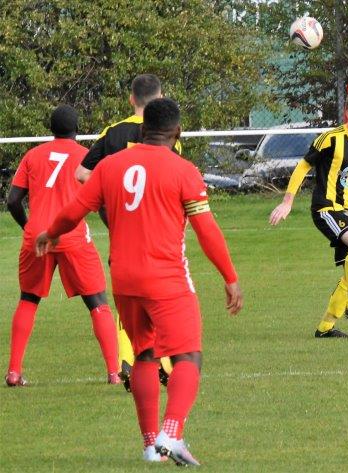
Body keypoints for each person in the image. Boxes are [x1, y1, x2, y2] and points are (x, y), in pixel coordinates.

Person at [36, 98, 243, 465]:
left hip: (123, 278)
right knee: (188, 355)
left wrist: (49, 233)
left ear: (143, 128)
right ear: (177, 132)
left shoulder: (110, 166)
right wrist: (229, 277)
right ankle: (172, 432)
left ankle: (151, 446)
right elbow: (207, 231)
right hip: (166, 278)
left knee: (144, 353)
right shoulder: (183, 171)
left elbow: (74, 209)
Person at [76, 73, 179, 390]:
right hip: (159, 228)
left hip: (123, 226)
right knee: (163, 295)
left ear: (131, 99)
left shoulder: (113, 132)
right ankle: (164, 364)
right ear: (160, 97)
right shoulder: (166, 133)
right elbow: (176, 179)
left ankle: (127, 359)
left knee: (127, 292)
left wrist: (108, 203)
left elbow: (82, 173)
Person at [4, 105, 118, 386]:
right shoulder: (85, 157)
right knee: (97, 302)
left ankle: (14, 372)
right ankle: (114, 373)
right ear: (77, 129)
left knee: (28, 299)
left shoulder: (32, 155)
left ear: (51, 128)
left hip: (37, 237)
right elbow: (101, 201)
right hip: (73, 236)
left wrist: (29, 228)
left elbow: (13, 200)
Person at [269, 92, 348, 338]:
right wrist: (287, 201)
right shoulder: (330, 139)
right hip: (326, 207)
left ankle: (325, 327)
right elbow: (303, 166)